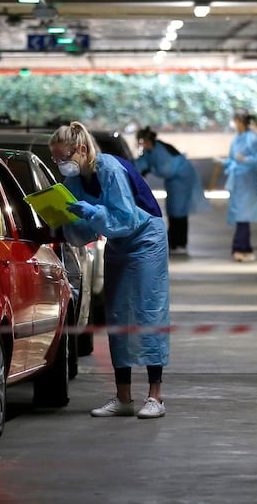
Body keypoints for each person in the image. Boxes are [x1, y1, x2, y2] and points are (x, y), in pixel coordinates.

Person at [50, 121, 170, 419]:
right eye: (55, 160)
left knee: (147, 311)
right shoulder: (77, 179)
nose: (60, 165)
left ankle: (155, 396)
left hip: (145, 238)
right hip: (119, 241)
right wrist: (63, 222)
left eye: (63, 158)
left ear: (80, 149)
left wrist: (93, 212)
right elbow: (84, 230)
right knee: (118, 314)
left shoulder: (110, 169)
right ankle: (123, 397)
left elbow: (126, 220)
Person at [134, 126, 210, 255]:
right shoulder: (151, 150)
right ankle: (174, 242)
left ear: (147, 141)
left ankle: (179, 243)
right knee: (173, 210)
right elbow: (141, 162)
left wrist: (150, 169)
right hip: (174, 181)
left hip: (181, 179)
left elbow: (166, 170)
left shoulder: (160, 150)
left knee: (179, 211)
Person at [222, 108, 257, 262]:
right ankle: (244, 247)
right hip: (237, 182)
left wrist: (246, 160)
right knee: (240, 216)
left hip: (248, 182)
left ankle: (240, 248)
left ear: (239, 121)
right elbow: (232, 158)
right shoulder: (237, 139)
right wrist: (225, 162)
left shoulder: (253, 139)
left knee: (243, 216)